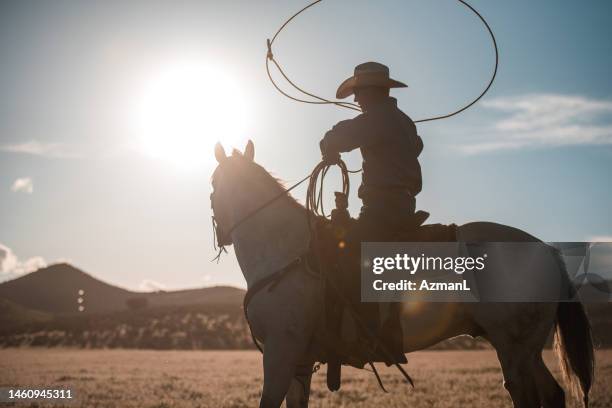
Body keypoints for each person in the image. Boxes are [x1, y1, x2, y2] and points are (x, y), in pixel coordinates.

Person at [319, 61, 423, 364]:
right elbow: (416, 145)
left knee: (347, 255)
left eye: (358, 93)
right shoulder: (402, 121)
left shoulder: (377, 117)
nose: (355, 100)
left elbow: (339, 137)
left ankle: (372, 335)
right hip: (403, 205)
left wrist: (328, 144)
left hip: (382, 208)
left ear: (370, 91)